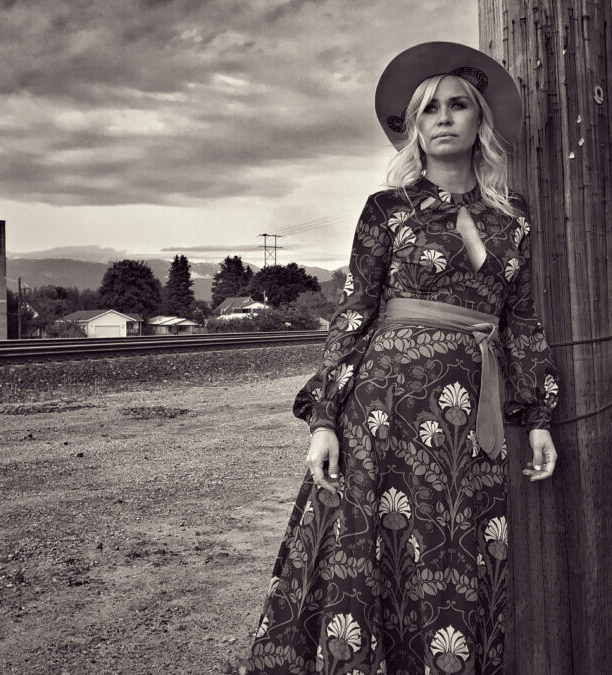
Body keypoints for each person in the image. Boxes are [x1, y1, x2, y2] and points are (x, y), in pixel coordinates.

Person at [238, 41, 560, 675]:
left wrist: (540, 416)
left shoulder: (513, 219)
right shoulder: (387, 210)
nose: (443, 118)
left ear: (480, 119)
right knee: (366, 549)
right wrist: (325, 420)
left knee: (455, 552)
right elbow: (354, 312)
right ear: (414, 126)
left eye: (457, 105)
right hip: (382, 412)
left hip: (470, 420)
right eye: (429, 109)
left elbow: (520, 320)